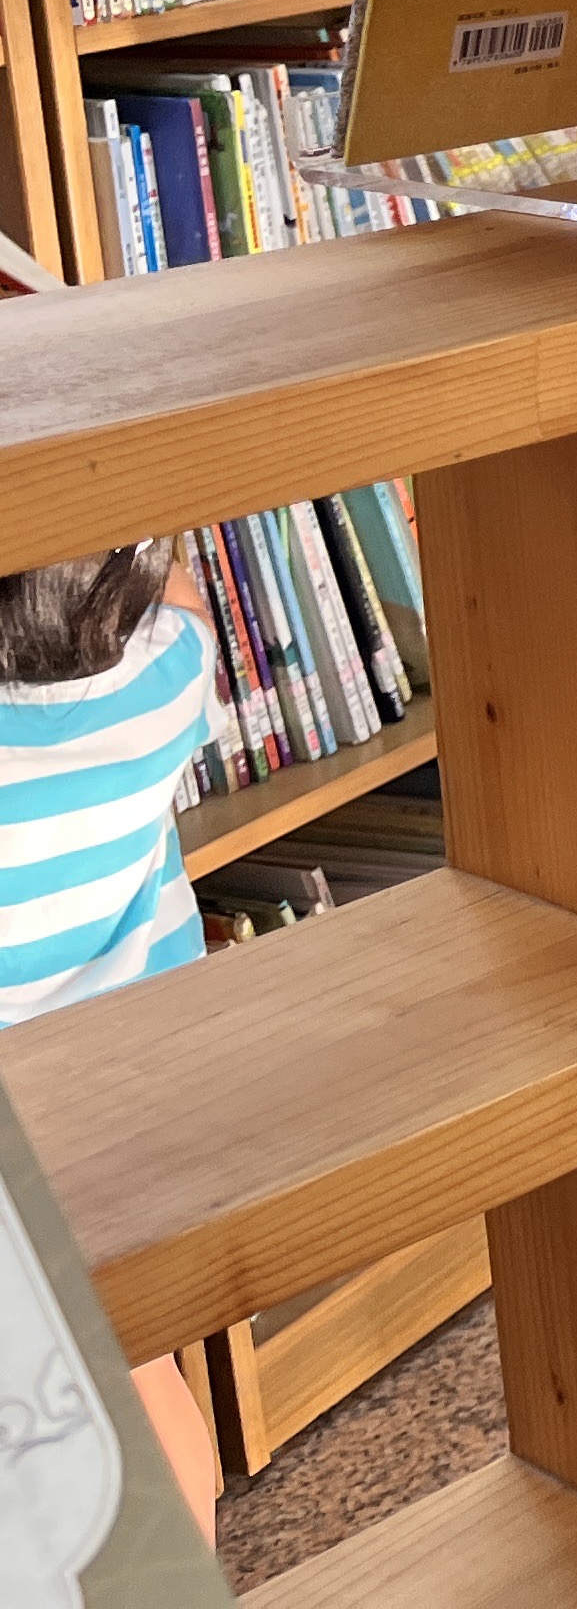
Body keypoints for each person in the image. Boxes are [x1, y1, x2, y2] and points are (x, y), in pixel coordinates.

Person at [1, 540, 230, 1535]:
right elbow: (167, 577)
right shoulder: (170, 673)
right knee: (137, 1377)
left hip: (18, 1157)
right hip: (128, 1104)